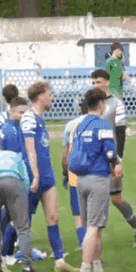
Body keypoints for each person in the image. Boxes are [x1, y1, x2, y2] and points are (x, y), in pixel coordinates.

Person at [21, 81, 76, 272]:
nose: (51, 98)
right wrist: (35, 175)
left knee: (53, 216)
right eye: (49, 94)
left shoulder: (40, 118)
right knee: (22, 221)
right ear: (40, 97)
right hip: (32, 176)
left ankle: (60, 261)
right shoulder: (28, 118)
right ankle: (5, 257)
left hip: (47, 175)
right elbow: (30, 150)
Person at [68, 89, 123, 272]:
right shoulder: (102, 125)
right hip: (98, 178)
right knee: (93, 226)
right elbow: (109, 152)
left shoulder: (79, 125)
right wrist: (117, 163)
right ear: (100, 104)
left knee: (95, 226)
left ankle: (98, 268)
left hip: (81, 179)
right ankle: (85, 270)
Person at [90, 69, 136, 248]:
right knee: (92, 199)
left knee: (116, 199)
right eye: (93, 82)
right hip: (93, 159)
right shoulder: (89, 103)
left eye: (98, 82)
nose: (95, 85)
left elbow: (121, 133)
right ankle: (90, 240)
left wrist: (118, 160)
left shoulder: (116, 104)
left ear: (107, 82)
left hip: (110, 158)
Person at [0, 97, 29, 267]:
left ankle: (2, 245)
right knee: (16, 216)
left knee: (9, 213)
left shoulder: (7, 128)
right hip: (14, 176)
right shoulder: (13, 131)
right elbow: (17, 156)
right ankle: (6, 252)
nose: (24, 116)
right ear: (12, 112)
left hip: (5, 175)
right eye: (21, 112)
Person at [62, 98, 89, 249]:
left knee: (78, 213)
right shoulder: (98, 124)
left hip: (74, 171)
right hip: (93, 172)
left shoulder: (71, 125)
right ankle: (91, 245)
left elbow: (66, 153)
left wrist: (64, 173)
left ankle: (83, 242)